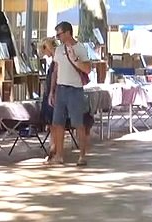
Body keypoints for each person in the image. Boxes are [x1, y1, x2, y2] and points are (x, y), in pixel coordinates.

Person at [47, 21, 92, 167]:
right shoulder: (59, 50)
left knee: (78, 123)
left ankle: (82, 155)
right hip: (61, 89)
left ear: (67, 32)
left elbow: (87, 69)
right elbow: (55, 70)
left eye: (59, 34)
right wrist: (51, 91)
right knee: (57, 123)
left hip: (75, 89)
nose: (58, 37)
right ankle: (59, 155)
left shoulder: (80, 48)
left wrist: (75, 59)